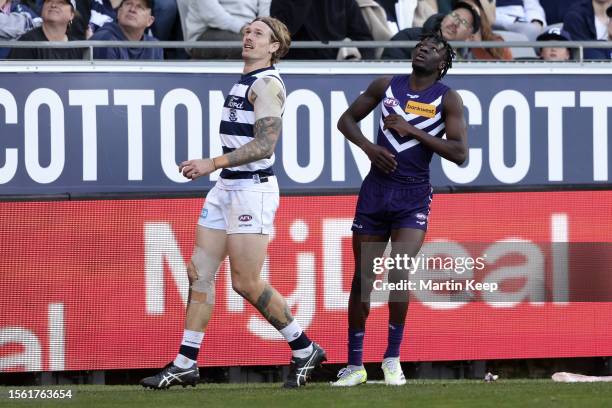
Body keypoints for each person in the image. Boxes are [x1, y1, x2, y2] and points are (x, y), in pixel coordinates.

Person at [139, 16, 326, 390]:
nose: (248, 36)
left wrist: (211, 163)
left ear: (275, 47)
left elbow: (264, 145)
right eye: (247, 31)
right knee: (199, 273)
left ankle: (304, 348)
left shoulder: (268, 84)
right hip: (226, 189)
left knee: (245, 282)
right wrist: (218, 172)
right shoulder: (245, 80)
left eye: (258, 33)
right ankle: (185, 362)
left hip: (251, 190)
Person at [333, 32, 468, 386]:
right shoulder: (385, 85)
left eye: (435, 48)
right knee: (363, 279)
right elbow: (346, 120)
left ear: (442, 64)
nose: (425, 47)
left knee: (398, 274)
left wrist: (414, 131)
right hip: (376, 191)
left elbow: (459, 153)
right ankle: (355, 365)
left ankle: (392, 359)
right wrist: (367, 147)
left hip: (413, 195)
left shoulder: (448, 99)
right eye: (422, 43)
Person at [271, 0, 375, 60]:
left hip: (338, 72)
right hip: (296, 70)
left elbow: (364, 42)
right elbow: (280, 34)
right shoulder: (283, 1)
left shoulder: (345, 2)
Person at [382, 1, 480, 59]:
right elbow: (386, 74)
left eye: (463, 22)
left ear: (469, 38)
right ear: (444, 18)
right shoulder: (408, 38)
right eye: (454, 15)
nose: (455, 23)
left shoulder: (469, 61)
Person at [181, 0, 270, 59]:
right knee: (250, 47)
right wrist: (243, 28)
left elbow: (265, 10)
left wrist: (262, 28)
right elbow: (212, 14)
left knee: (274, 46)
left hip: (249, 30)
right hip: (206, 32)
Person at [8, 0, 83, 59]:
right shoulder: (27, 43)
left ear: (72, 14)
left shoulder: (76, 47)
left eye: (61, 2)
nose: (53, 5)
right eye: (48, 1)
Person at [90, 0, 162, 59]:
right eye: (128, 4)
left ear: (149, 21)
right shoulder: (105, 40)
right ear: (118, 12)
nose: (132, 9)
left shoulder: (155, 46)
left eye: (140, 7)